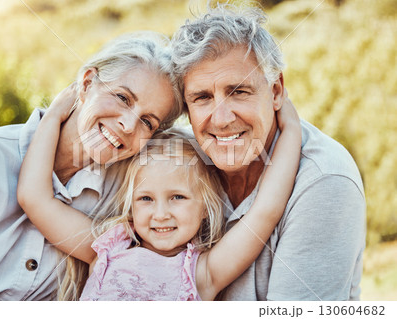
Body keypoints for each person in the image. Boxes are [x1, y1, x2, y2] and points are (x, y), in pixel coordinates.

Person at [0, 31, 183, 300]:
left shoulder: (130, 193)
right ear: (86, 82)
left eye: (147, 122)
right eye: (122, 97)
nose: (128, 126)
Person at [16, 87, 301, 300]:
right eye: (145, 199)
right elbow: (35, 199)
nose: (160, 214)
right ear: (131, 207)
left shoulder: (203, 272)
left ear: (205, 206)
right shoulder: (107, 248)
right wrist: (53, 116)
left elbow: (265, 211)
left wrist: (291, 130)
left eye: (177, 197)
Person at [170, 3, 366, 300]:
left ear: (276, 91)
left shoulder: (325, 180)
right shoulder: (175, 165)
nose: (221, 119)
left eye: (239, 91)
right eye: (202, 98)